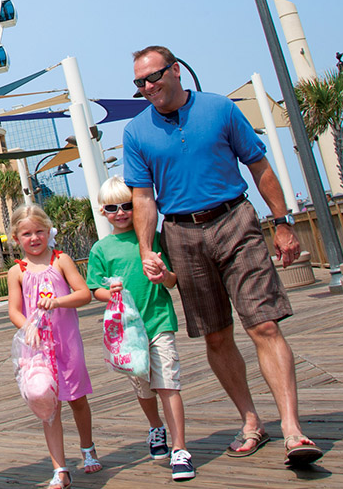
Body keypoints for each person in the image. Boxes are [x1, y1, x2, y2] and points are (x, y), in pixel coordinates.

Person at [124, 45, 323, 467]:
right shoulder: (136, 132)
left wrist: (283, 223)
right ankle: (251, 421)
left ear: (176, 71)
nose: (147, 87)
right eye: (139, 82)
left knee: (264, 324)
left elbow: (259, 165)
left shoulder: (220, 110)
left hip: (235, 220)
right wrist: (146, 248)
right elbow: (143, 198)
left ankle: (292, 430)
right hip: (180, 233)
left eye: (153, 77)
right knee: (215, 334)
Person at [88, 177, 193, 481]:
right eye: (112, 208)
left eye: (127, 206)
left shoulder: (153, 238)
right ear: (102, 211)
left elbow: (174, 280)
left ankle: (180, 448)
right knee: (143, 386)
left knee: (168, 382)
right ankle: (155, 426)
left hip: (159, 319)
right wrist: (113, 293)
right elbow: (95, 288)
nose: (120, 213)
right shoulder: (101, 249)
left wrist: (165, 276)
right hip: (127, 331)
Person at [7, 204, 98, 488]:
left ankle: (87, 448)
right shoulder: (17, 271)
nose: (34, 238)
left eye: (39, 232)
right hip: (38, 349)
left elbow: (84, 294)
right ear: (16, 238)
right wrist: (28, 326)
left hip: (67, 344)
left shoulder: (61, 260)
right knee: (48, 405)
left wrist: (58, 302)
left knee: (77, 399)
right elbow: (14, 310)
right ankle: (60, 468)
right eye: (26, 234)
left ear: (49, 232)